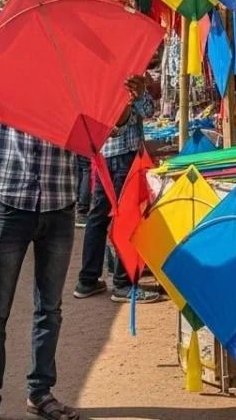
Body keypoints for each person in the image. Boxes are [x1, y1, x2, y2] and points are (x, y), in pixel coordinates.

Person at [0, 0, 83, 420]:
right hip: (10, 202)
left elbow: (114, 121)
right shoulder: (4, 61)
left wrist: (131, 97)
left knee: (49, 309)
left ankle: (40, 393)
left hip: (59, 203)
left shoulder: (75, 73)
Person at [72, 74, 163, 305]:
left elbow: (148, 111)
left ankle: (88, 279)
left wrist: (140, 94)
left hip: (117, 157)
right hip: (119, 158)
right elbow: (114, 127)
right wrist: (128, 101)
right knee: (125, 218)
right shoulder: (101, 80)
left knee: (99, 217)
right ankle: (122, 284)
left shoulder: (130, 74)